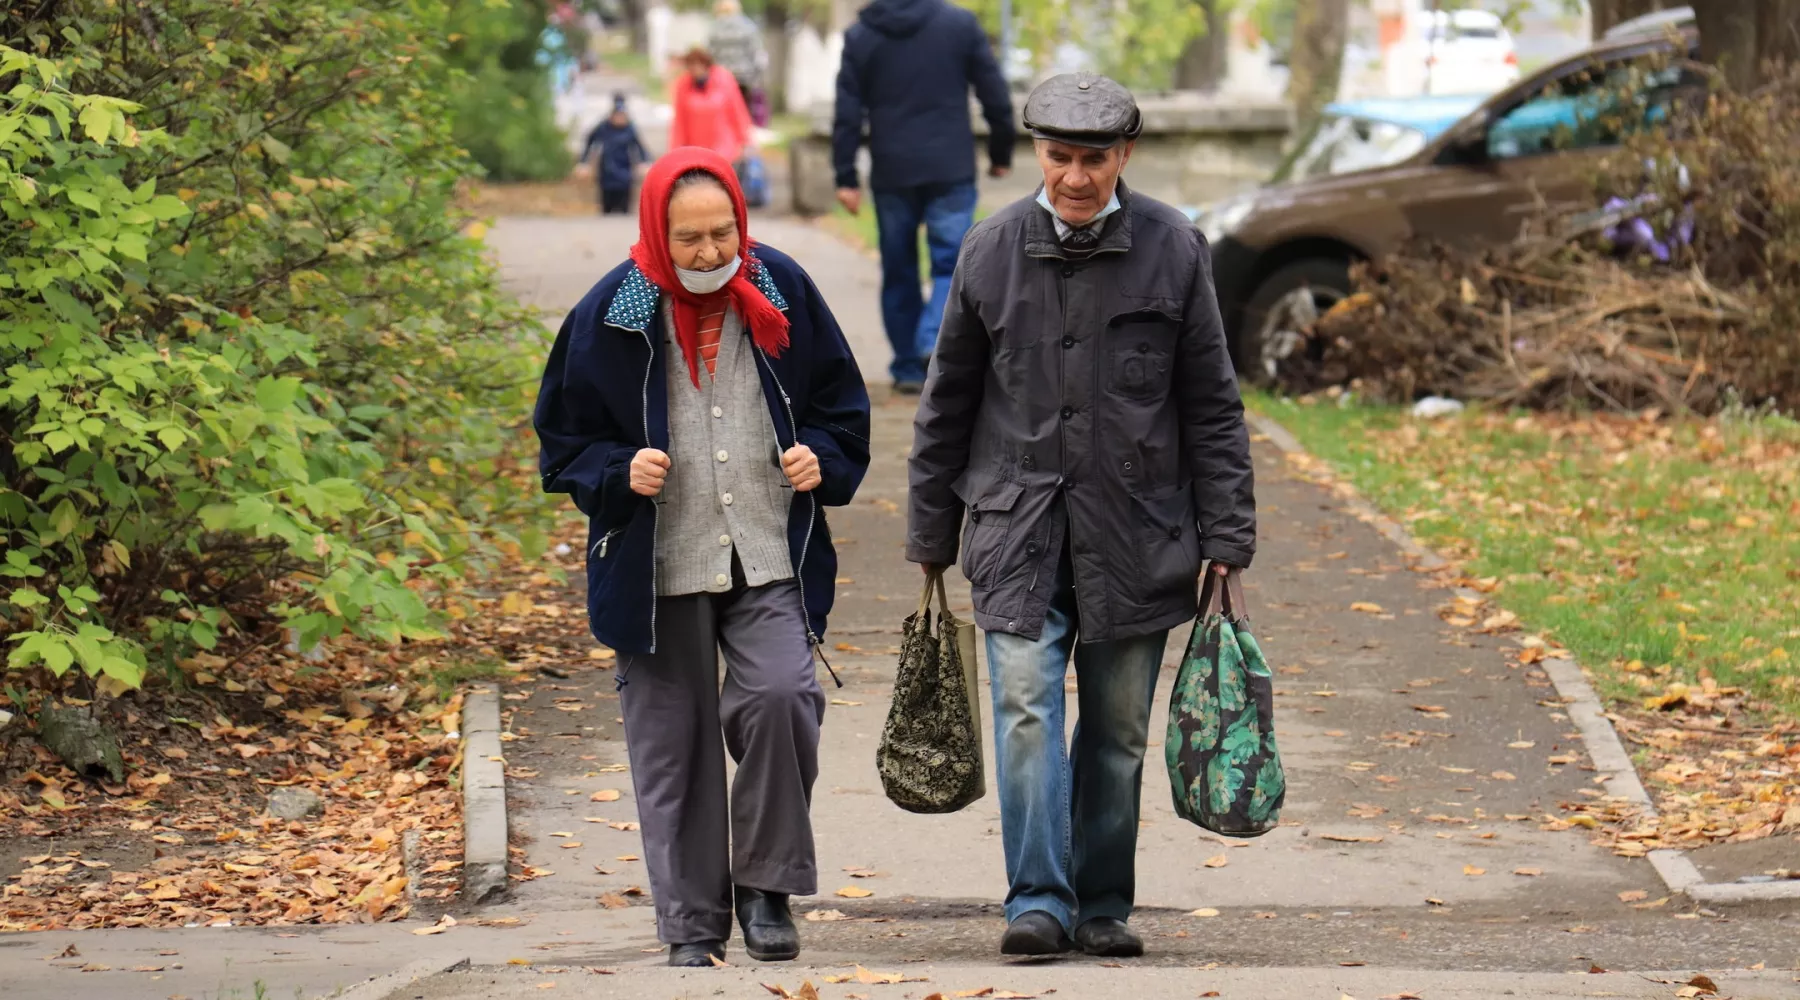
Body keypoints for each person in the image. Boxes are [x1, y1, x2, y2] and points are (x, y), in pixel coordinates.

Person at [905, 73, 1257, 959]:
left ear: (1123, 156)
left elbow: (1211, 402)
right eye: (1059, 156)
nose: (1074, 176)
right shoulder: (990, 252)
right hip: (1014, 529)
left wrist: (1228, 537)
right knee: (1026, 708)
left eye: (1093, 158)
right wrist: (928, 536)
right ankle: (1037, 899)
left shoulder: (1175, 248)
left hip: (1137, 535)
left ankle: (1102, 903)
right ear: (1038, 153)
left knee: (1115, 732)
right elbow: (946, 402)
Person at [534, 148, 872, 967]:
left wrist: (820, 455)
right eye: (689, 238)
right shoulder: (611, 313)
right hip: (658, 566)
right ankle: (691, 922)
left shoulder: (780, 286)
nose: (711, 252)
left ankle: (764, 886)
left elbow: (840, 405)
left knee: (784, 696)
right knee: (672, 747)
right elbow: (563, 443)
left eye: (724, 233)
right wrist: (617, 473)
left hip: (766, 549)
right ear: (657, 231)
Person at [831, 0, 1014, 394]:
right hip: (950, 166)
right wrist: (1001, 153)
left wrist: (846, 175)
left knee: (899, 270)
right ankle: (932, 342)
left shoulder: (862, 34)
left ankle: (907, 368)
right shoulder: (960, 25)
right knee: (952, 265)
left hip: (892, 169)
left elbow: (847, 110)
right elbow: (994, 93)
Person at [669, 47, 756, 169]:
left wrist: (746, 141)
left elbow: (737, 111)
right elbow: (679, 122)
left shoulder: (724, 79)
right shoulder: (683, 85)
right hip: (697, 150)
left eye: (697, 64)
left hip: (724, 148)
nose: (694, 69)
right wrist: (676, 151)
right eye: (690, 65)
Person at [580, 93, 650, 215]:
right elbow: (590, 142)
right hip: (607, 173)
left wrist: (644, 162)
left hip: (624, 174)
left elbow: (639, 147)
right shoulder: (603, 128)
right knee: (607, 208)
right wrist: (584, 162)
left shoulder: (629, 129)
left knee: (624, 209)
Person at [708, 0, 770, 126]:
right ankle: (743, 142)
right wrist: (756, 77)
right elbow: (758, 54)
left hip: (721, 79)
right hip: (744, 78)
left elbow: (709, 54)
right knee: (742, 115)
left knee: (723, 118)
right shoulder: (748, 26)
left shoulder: (714, 28)